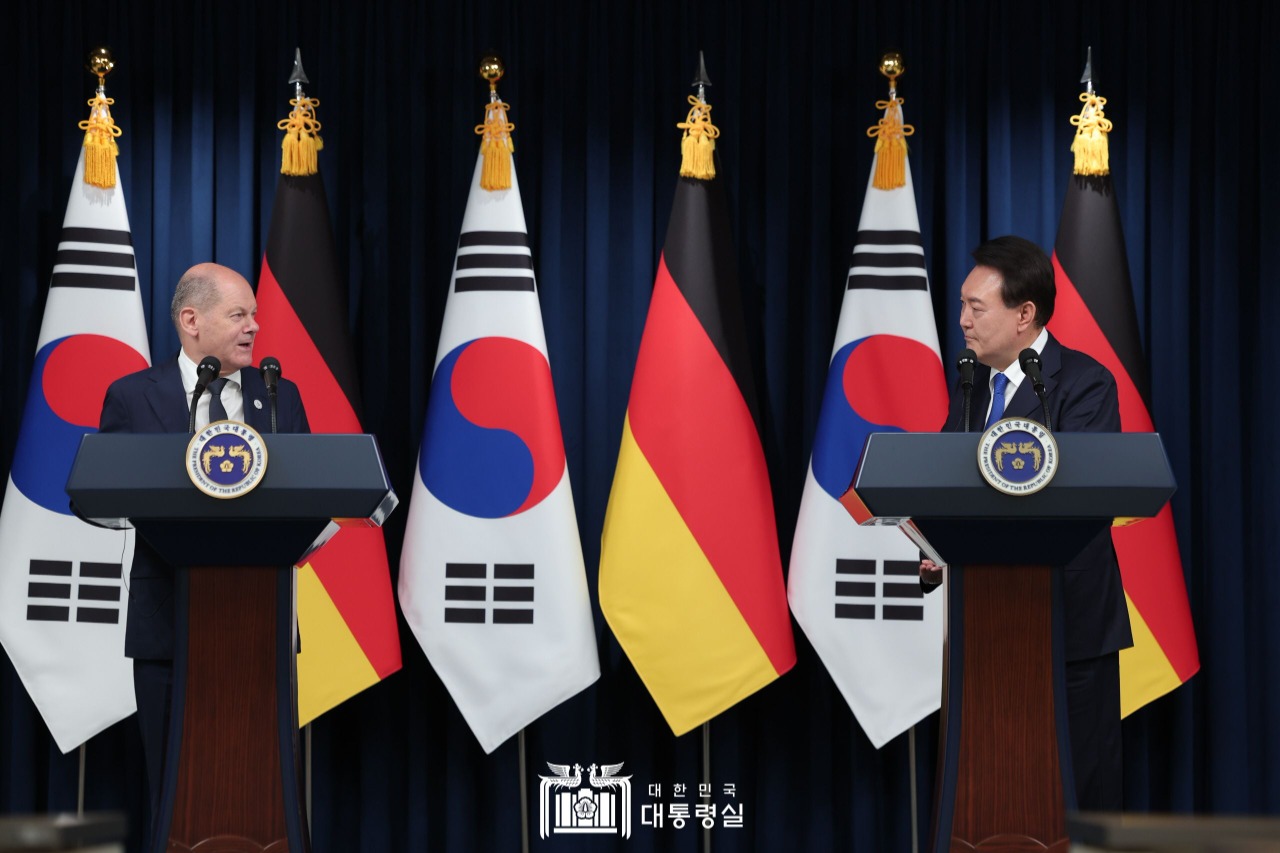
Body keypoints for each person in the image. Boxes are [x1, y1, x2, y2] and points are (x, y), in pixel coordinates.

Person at [919, 235, 1131, 811]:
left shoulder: (1085, 383)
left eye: (975, 307)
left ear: (1024, 314)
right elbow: (945, 485)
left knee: (1080, 797)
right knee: (996, 793)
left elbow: (1084, 499)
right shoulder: (969, 384)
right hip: (986, 625)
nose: (962, 321)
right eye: (962, 305)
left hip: (1071, 624)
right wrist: (933, 544)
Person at [98, 263, 310, 823]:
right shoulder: (132, 397)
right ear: (191, 321)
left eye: (254, 315)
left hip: (261, 622)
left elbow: (312, 495)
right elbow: (106, 496)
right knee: (173, 794)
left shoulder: (278, 395)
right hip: (168, 625)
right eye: (239, 315)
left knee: (263, 793)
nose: (254, 327)